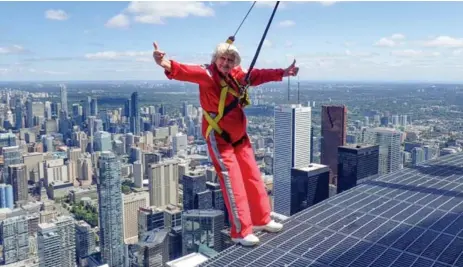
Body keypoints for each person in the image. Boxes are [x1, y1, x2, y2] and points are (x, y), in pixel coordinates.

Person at [152, 38, 299, 246]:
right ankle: (240, 231)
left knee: (253, 177)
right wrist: (164, 63)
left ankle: (261, 219)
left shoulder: (238, 75)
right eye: (223, 58)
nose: (226, 63)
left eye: (230, 60)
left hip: (240, 137)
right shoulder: (207, 74)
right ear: (216, 58)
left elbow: (257, 75)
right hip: (219, 136)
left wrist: (283, 73)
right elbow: (184, 70)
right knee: (233, 182)